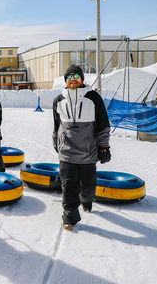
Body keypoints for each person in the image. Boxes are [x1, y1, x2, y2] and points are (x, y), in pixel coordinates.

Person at [52, 65, 111, 231]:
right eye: (69, 76)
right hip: (67, 154)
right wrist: (56, 141)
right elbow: (57, 125)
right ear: (65, 80)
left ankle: (86, 200)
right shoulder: (59, 100)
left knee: (88, 186)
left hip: (88, 153)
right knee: (69, 185)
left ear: (82, 79)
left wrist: (104, 147)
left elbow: (103, 126)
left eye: (76, 75)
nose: (73, 78)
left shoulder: (93, 98)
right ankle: (69, 215)